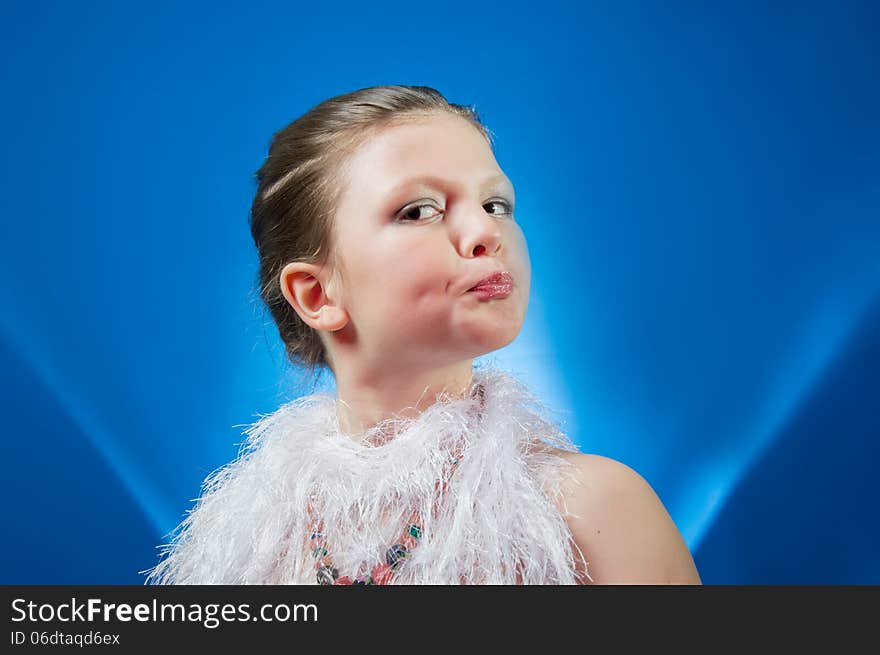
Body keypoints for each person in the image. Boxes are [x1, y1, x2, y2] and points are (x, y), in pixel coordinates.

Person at [144, 85, 701, 585]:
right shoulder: (248, 548)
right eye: (419, 210)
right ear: (317, 295)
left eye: (496, 204)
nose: (486, 230)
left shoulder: (593, 512)